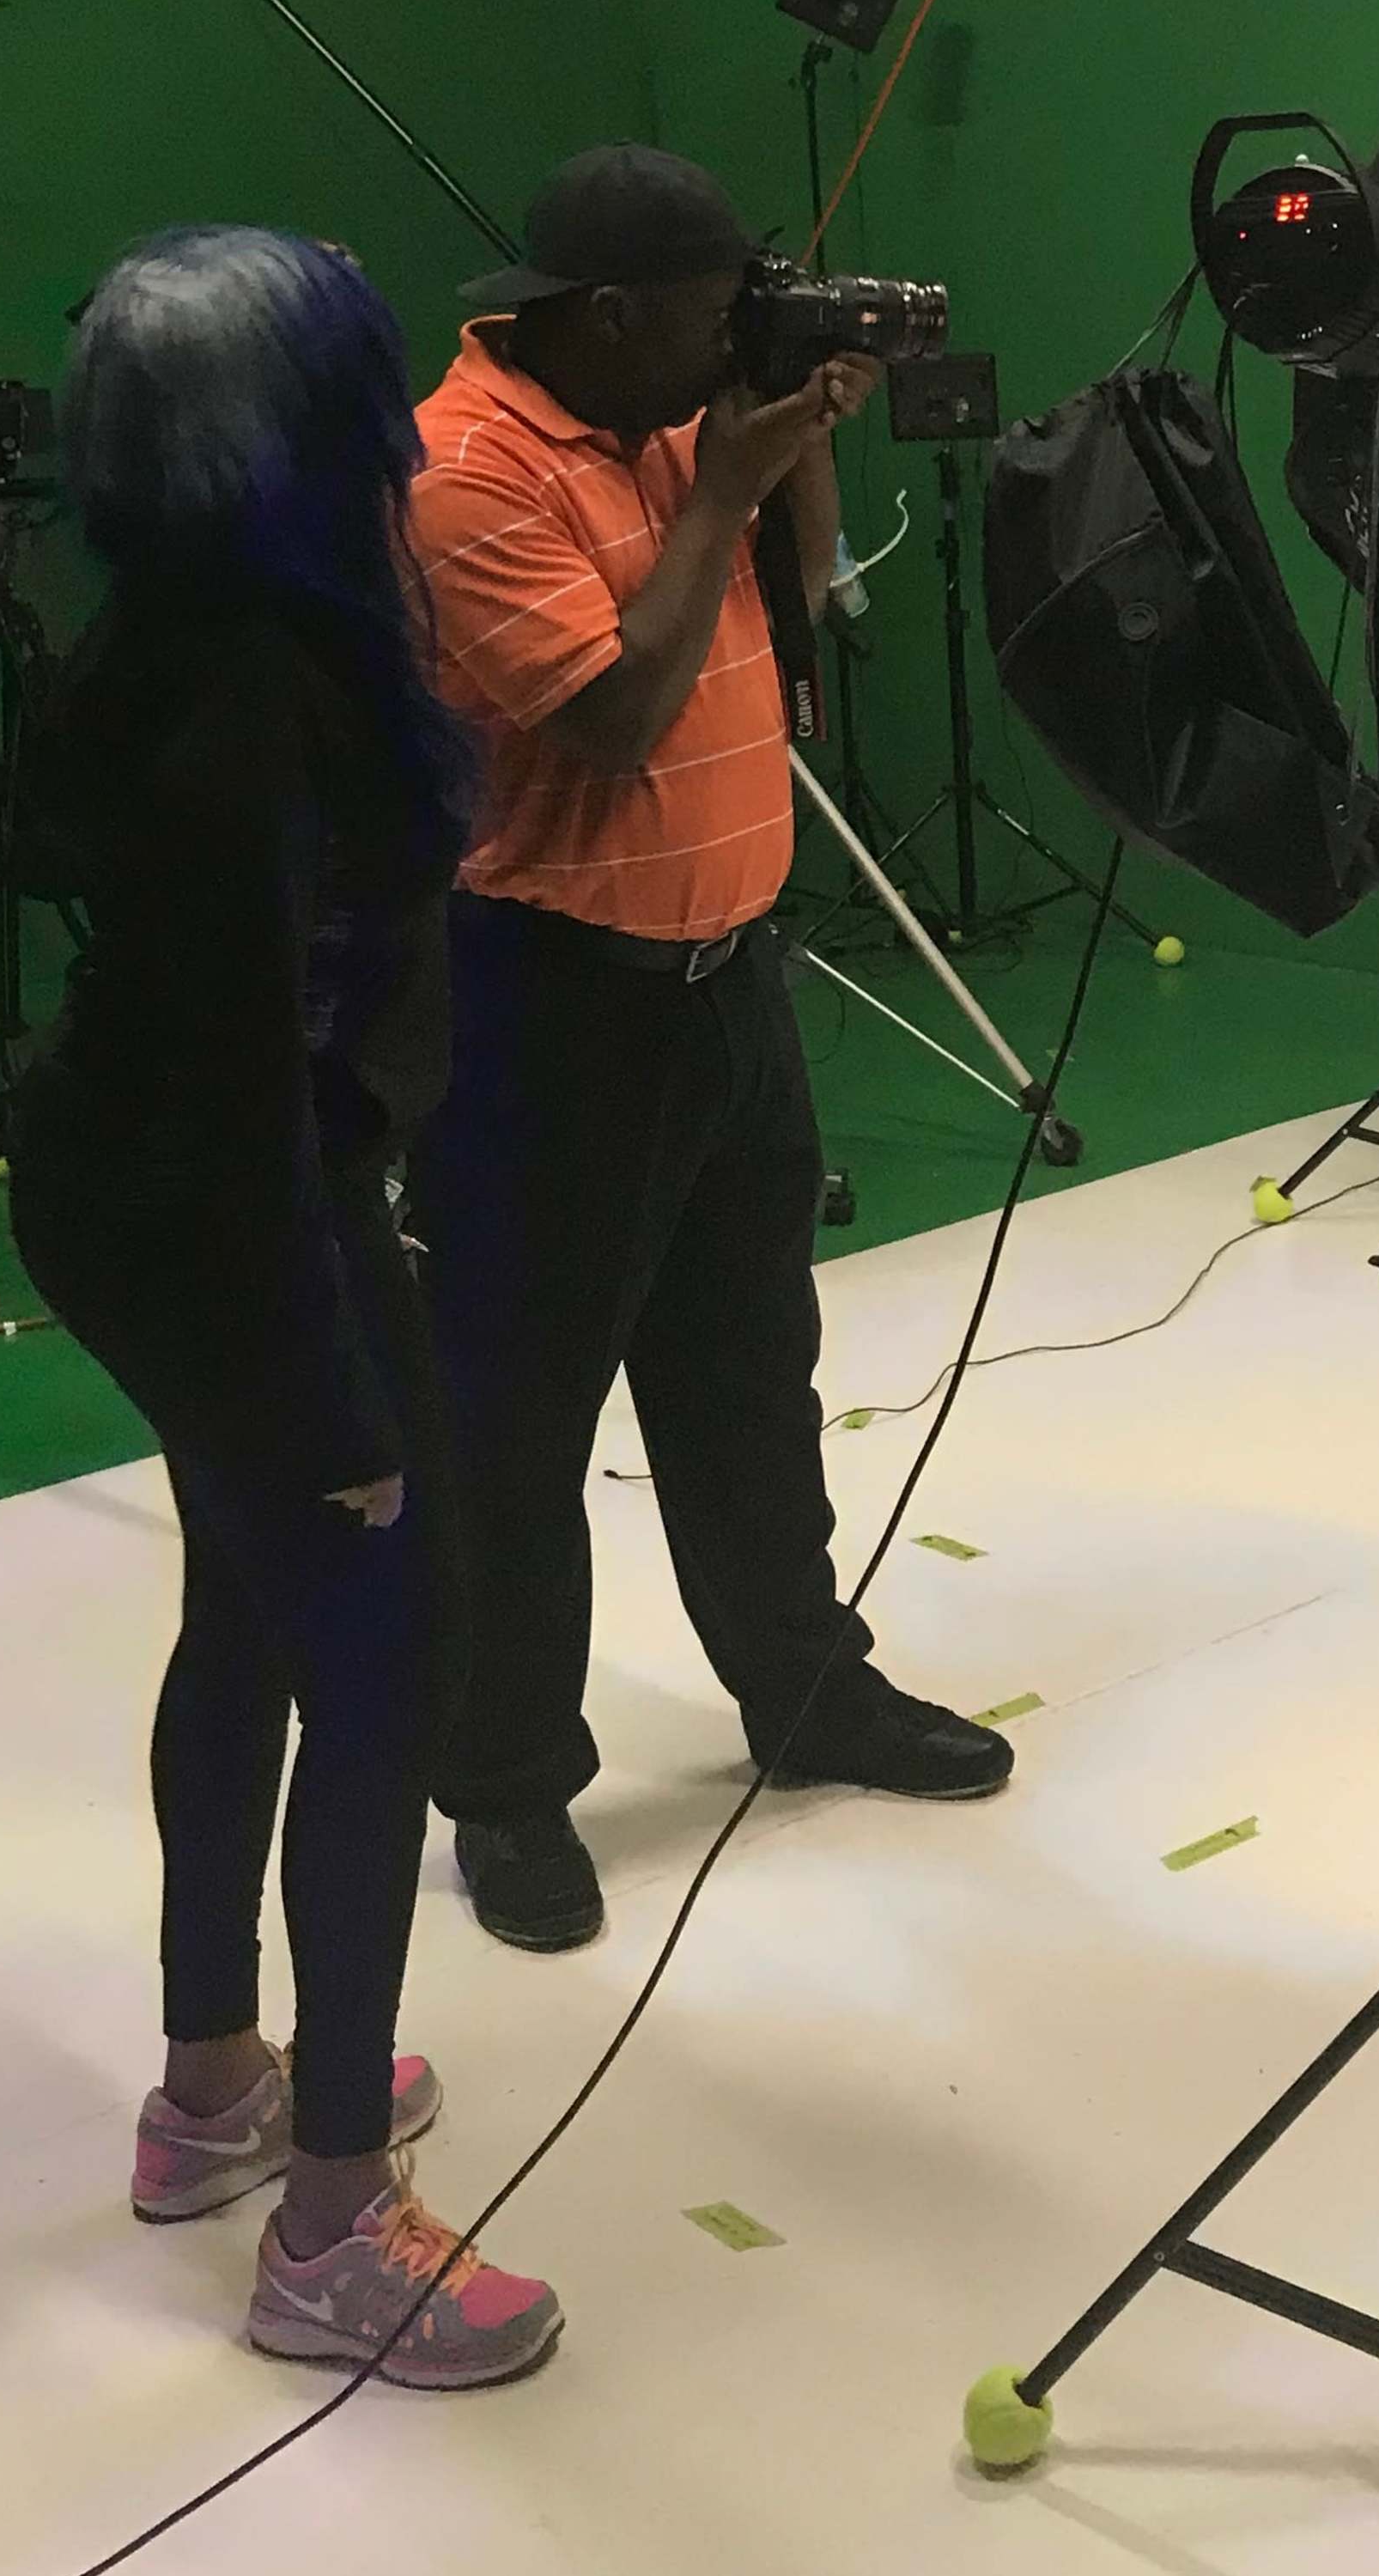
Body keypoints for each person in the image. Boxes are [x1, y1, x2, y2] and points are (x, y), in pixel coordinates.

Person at [9, 228, 562, 2388]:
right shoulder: (248, 703)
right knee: (387, 1657)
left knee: (246, 1612)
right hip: (234, 1212)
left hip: (154, 1192)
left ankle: (213, 2081)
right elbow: (246, 1094)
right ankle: (334, 2223)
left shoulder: (183, 634)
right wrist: (331, 1408)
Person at [403, 146, 1013, 1958]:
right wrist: (722, 477)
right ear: (604, 317)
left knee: (750, 1372)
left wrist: (787, 439)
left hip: (729, 976)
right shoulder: (465, 469)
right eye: (710, 314)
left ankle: (804, 1690)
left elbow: (806, 583)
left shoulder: (674, 411)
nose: (730, 338)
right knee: (517, 1420)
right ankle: (507, 1786)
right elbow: (610, 715)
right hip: (551, 1003)